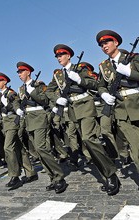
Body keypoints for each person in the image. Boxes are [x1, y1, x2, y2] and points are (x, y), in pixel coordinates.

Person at [47, 44, 119, 196]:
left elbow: (95, 84)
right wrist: (57, 100)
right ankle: (107, 173)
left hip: (85, 105)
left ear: (69, 56)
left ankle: (111, 174)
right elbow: (49, 91)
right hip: (73, 110)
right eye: (57, 56)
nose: (59, 58)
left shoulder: (79, 68)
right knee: (87, 143)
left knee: (88, 138)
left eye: (61, 55)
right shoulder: (58, 75)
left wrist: (79, 79)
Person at [97, 30, 139, 191]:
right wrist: (104, 94)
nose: (104, 46)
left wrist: (130, 72)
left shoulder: (133, 58)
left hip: (137, 103)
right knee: (136, 148)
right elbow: (100, 85)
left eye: (106, 42)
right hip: (122, 111)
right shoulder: (104, 67)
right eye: (101, 45)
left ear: (116, 43)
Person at [16, 61, 67, 194]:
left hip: (39, 118)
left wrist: (33, 92)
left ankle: (59, 176)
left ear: (28, 72)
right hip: (29, 120)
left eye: (21, 72)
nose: (19, 74)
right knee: (38, 152)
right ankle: (53, 178)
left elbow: (44, 101)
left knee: (41, 148)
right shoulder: (21, 89)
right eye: (18, 72)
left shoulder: (39, 85)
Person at [0, 72, 37, 189]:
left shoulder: (11, 93)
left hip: (13, 121)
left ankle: (15, 176)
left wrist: (16, 109)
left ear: (5, 82)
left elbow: (16, 103)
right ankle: (31, 172)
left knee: (7, 147)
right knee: (20, 148)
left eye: (0, 81)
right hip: (5, 123)